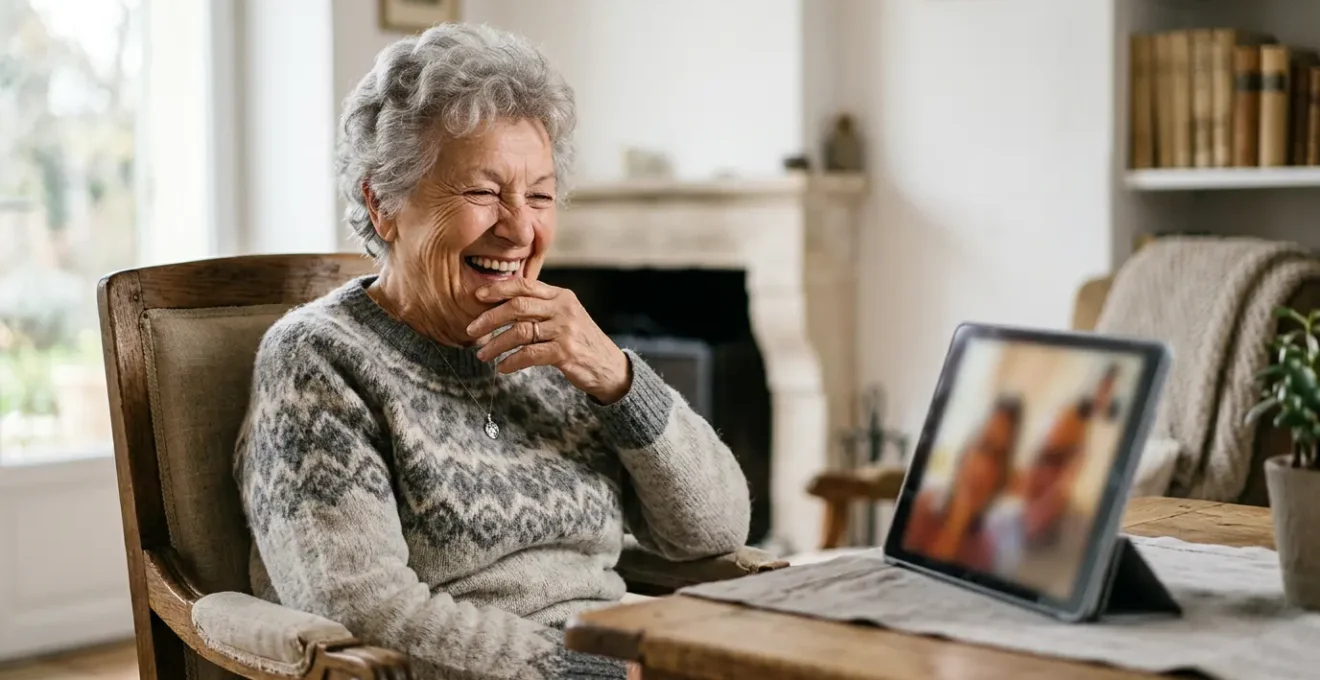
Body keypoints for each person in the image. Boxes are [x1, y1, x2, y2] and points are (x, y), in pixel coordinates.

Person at [233, 23, 750, 680]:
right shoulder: (319, 360)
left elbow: (715, 532)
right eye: (482, 192)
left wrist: (616, 377)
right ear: (382, 202)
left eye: (539, 195)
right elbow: (359, 611)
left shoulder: (560, 346)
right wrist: (585, 673)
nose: (519, 228)